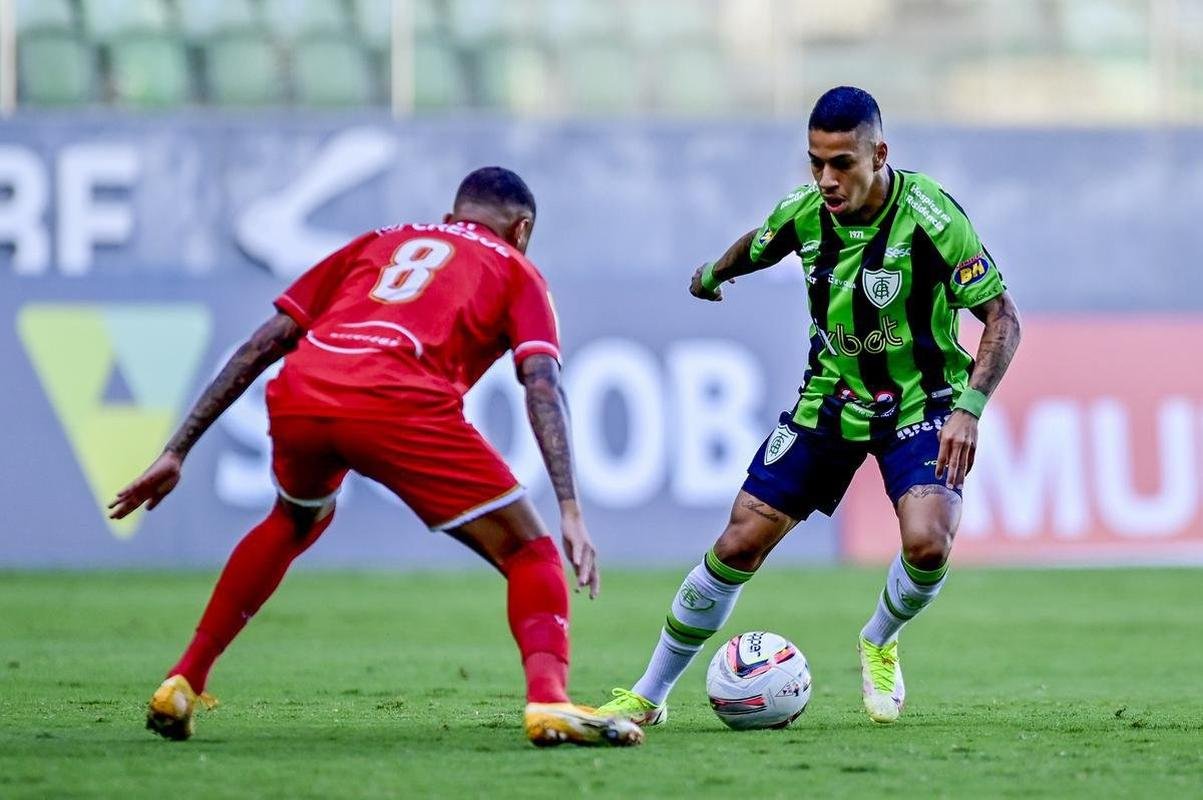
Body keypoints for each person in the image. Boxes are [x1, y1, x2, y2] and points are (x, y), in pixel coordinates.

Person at [109, 166, 642, 748]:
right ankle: (549, 700)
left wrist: (176, 450)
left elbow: (266, 340)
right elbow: (541, 383)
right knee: (529, 551)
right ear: (521, 230)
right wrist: (569, 507)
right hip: (398, 400)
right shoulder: (519, 270)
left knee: (292, 519)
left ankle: (183, 681)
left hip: (304, 388)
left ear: (450, 217)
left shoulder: (379, 241)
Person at [597, 86, 1022, 726]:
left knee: (928, 543)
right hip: (829, 402)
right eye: (816, 163)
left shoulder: (931, 216)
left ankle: (879, 639)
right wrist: (714, 274)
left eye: (841, 164)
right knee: (738, 544)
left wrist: (969, 408)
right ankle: (649, 695)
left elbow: (1003, 318)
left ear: (879, 154)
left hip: (921, 403)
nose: (826, 179)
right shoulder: (804, 212)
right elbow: (759, 244)